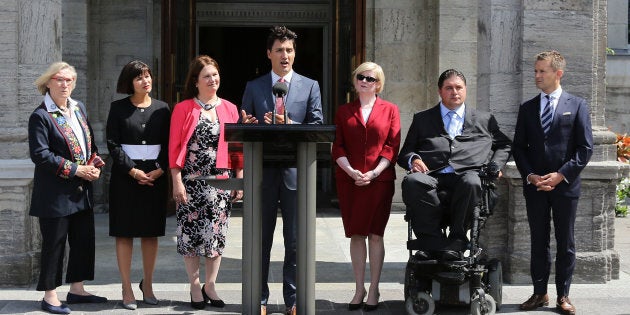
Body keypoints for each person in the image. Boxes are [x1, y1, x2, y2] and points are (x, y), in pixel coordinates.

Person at [241, 25, 324, 315]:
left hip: (295, 171)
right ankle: (259, 299)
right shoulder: (254, 87)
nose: (285, 55)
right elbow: (244, 124)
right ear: (269, 54)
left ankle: (293, 300)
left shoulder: (310, 86)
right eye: (279, 50)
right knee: (260, 239)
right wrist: (250, 126)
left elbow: (316, 127)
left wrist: (290, 124)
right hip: (262, 171)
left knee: (295, 240)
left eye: (289, 50)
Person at [397, 69, 511, 260]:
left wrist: (495, 165)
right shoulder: (422, 119)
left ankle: (457, 240)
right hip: (432, 176)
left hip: (466, 176)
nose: (454, 92)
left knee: (472, 182)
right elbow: (405, 153)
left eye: (459, 87)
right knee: (412, 181)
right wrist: (414, 159)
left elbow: (505, 144)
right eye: (449, 88)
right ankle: (433, 242)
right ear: (440, 91)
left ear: (466, 90)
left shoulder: (484, 119)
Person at [513, 51, 593, 315]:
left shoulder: (578, 105)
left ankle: (563, 295)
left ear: (558, 73)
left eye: (541, 71)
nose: (536, 76)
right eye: (535, 71)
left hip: (565, 186)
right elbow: (519, 148)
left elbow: (584, 149)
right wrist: (530, 176)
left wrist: (561, 175)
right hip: (535, 186)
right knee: (538, 240)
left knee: (565, 241)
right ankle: (539, 293)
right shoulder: (527, 108)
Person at [28, 62, 108, 314]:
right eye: (60, 80)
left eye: (69, 80)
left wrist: (93, 164)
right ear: (48, 82)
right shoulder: (40, 116)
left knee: (83, 240)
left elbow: (88, 142)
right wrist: (76, 170)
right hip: (54, 193)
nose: (65, 85)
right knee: (55, 243)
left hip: (81, 190)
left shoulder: (78, 107)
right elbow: (40, 154)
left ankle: (77, 289)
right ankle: (50, 295)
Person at [169, 55, 243, 310]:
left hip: (220, 182)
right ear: (196, 81)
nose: (213, 80)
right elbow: (174, 148)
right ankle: (194, 286)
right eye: (207, 76)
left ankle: (210, 285)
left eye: (215, 75)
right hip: (191, 181)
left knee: (216, 235)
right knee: (190, 236)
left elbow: (236, 147)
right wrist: (176, 181)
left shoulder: (230, 108)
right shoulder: (183, 108)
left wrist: (238, 178)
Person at [331, 62, 400, 312]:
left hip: (379, 180)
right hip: (349, 181)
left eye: (370, 78)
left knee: (375, 234)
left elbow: (392, 146)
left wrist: (373, 172)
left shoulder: (390, 110)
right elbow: (337, 146)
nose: (365, 81)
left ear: (378, 83)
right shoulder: (343, 111)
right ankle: (359, 288)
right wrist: (350, 171)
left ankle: (374, 288)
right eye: (361, 77)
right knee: (356, 233)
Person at [105, 60, 170, 310]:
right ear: (129, 82)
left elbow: (169, 142)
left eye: (148, 76)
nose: (146, 81)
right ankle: (126, 287)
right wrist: (132, 170)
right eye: (139, 77)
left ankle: (149, 284)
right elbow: (113, 144)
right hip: (125, 179)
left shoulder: (163, 108)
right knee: (124, 233)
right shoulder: (118, 108)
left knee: (150, 233)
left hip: (155, 178)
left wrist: (160, 169)